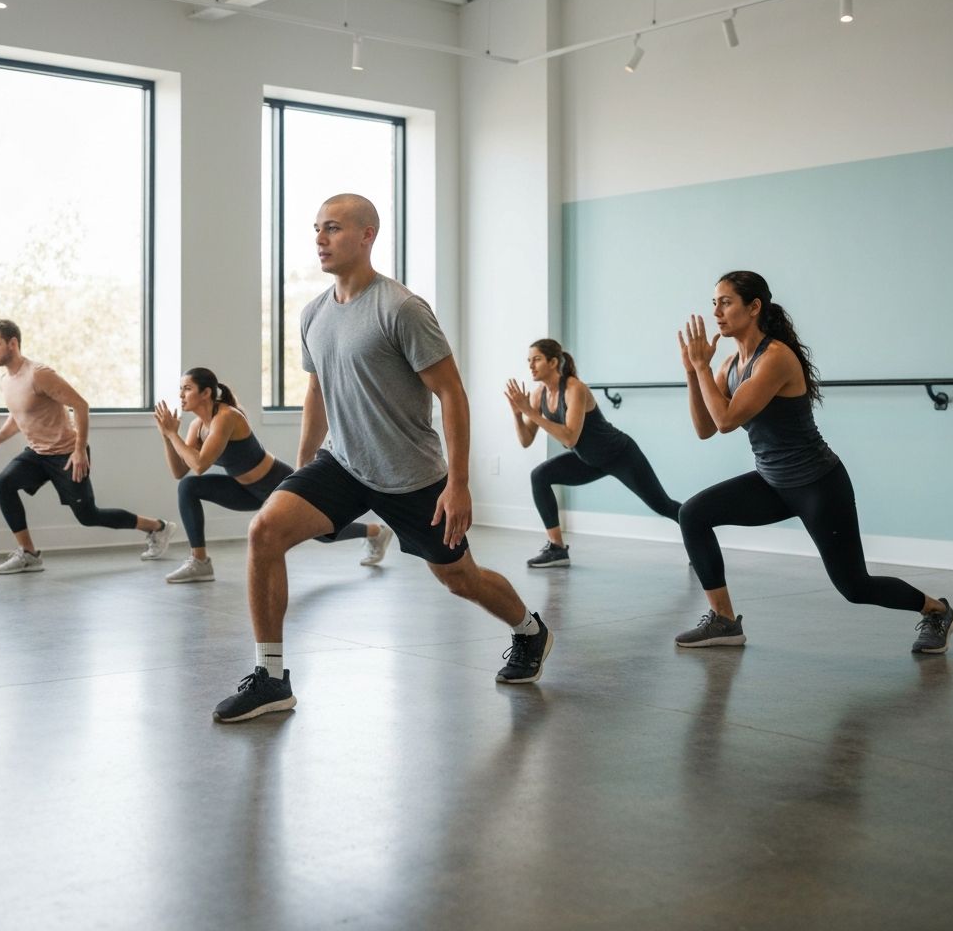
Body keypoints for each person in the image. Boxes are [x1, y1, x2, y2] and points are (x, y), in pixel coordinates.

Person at [212, 193, 553, 722]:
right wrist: (304, 464)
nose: (320, 239)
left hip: (412, 477)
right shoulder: (314, 314)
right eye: (317, 230)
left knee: (460, 577)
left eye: (333, 228)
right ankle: (272, 678)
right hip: (342, 463)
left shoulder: (401, 309)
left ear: (368, 235)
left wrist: (458, 484)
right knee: (264, 533)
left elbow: (452, 394)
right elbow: (318, 390)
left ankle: (530, 631)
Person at [675, 270, 953, 653]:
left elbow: (726, 421)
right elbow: (705, 428)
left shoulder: (774, 358)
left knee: (855, 587)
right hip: (772, 483)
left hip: (818, 486)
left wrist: (703, 368)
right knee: (692, 514)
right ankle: (724, 621)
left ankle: (937, 610)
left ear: (754, 307)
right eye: (714, 303)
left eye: (725, 302)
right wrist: (694, 372)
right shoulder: (729, 366)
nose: (717, 312)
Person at [154, 367, 392, 582]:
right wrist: (167, 436)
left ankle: (375, 532)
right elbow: (180, 471)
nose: (181, 395)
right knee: (187, 487)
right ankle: (200, 562)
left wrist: (173, 435)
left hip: (275, 483)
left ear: (206, 393)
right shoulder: (197, 426)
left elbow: (199, 464)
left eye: (187, 389)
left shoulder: (226, 417)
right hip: (244, 489)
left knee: (322, 534)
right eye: (180, 390)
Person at [0, 319, 175, 574]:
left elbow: (81, 405)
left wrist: (80, 449)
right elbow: (19, 416)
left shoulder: (39, 374)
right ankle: (28, 553)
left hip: (67, 454)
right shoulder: (6, 381)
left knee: (88, 516)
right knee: (4, 482)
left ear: (13, 344)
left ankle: (157, 527)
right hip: (37, 453)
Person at [505, 339, 682, 568]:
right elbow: (526, 440)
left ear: (553, 362)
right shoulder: (539, 395)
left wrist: (529, 411)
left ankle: (698, 533)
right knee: (539, 476)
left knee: (662, 505)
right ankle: (557, 549)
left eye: (536, 359)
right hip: (588, 460)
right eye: (529, 361)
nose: (531, 365)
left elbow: (570, 437)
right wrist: (519, 415)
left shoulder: (574, 389)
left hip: (620, 455)